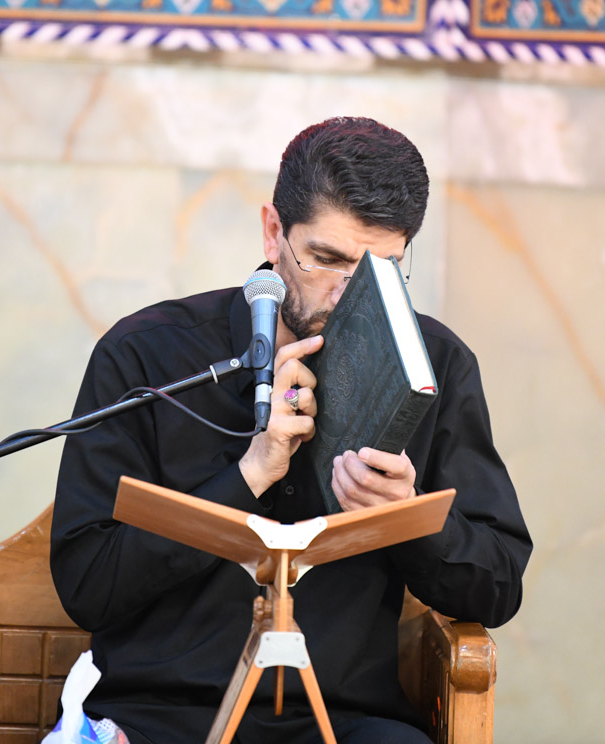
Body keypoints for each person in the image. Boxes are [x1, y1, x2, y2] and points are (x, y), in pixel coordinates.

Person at [49, 117, 531, 744]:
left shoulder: (436, 365)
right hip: (163, 718)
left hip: (343, 721)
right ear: (274, 232)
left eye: (379, 270)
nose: (344, 295)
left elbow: (498, 587)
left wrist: (407, 517)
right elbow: (87, 585)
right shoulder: (148, 355)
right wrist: (250, 473)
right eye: (325, 259)